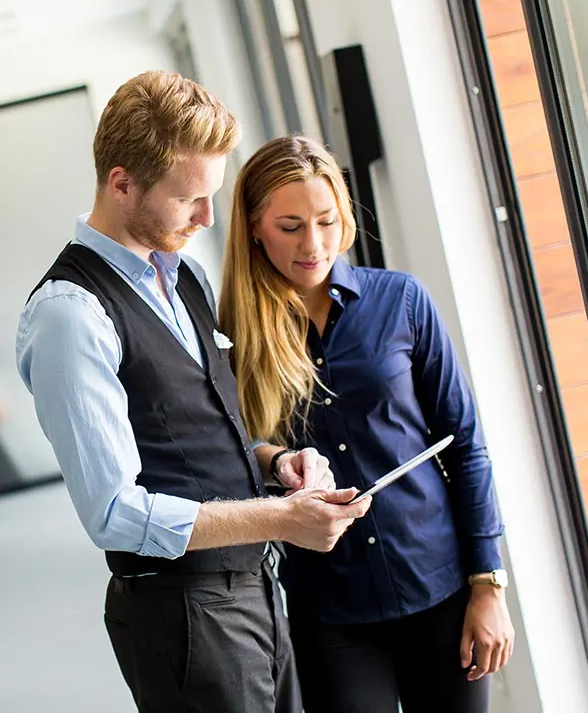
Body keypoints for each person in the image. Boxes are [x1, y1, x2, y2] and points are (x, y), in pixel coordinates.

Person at [15, 73, 371, 713]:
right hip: (183, 615)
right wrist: (281, 519)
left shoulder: (185, 279)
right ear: (122, 183)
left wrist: (272, 463)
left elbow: (194, 425)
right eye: (189, 201)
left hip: (255, 588)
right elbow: (115, 514)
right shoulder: (71, 315)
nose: (208, 218)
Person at [219, 135, 515, 713]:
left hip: (440, 589)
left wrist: (488, 584)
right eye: (290, 226)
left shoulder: (402, 300)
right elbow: (233, 444)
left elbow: (466, 446)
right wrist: (276, 460)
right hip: (331, 610)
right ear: (254, 227)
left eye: (327, 221)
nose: (313, 244)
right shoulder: (231, 333)